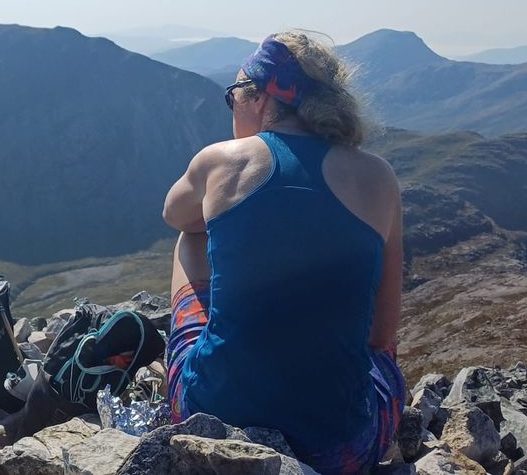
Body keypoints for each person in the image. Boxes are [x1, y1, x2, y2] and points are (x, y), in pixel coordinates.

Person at [162, 32, 406, 474]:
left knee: (191, 237)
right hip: (338, 446)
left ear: (258, 99)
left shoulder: (220, 161)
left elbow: (174, 215)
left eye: (233, 95)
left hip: (211, 418)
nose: (233, 105)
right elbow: (381, 336)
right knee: (379, 369)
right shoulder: (379, 176)